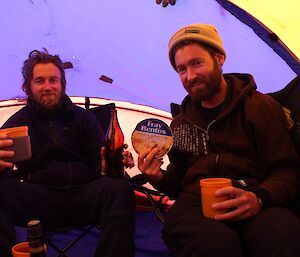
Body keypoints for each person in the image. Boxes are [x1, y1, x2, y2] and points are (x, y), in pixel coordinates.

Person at [137, 24, 300, 257]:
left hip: (252, 197)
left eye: (197, 63)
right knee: (214, 245)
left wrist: (260, 197)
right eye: (182, 69)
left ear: (219, 58)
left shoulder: (259, 108)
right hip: (195, 205)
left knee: (282, 233)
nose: (190, 76)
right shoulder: (180, 125)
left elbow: (288, 170)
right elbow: (179, 183)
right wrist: (158, 177)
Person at [0, 49, 135, 257]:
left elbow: (98, 161)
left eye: (53, 80)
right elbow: (5, 169)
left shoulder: (83, 118)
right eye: (40, 81)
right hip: (37, 200)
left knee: (118, 187)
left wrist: (110, 163)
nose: (48, 87)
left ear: (63, 85)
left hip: (82, 196)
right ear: (28, 87)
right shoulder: (16, 124)